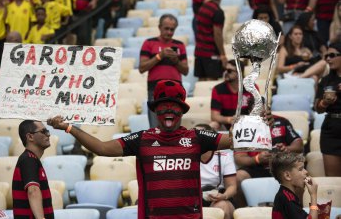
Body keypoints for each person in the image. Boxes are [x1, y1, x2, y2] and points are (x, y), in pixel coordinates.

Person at [47, 79, 231, 219]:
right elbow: (101, 148)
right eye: (163, 107)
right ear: (155, 111)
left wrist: (254, 120)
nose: (169, 111)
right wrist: (68, 128)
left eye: (174, 107)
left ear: (182, 111)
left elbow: (234, 141)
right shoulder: (142, 139)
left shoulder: (196, 138)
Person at [234, 113, 304, 207]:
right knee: (237, 178)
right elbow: (239, 159)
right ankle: (243, 211)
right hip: (256, 167)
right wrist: (257, 159)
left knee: (299, 173)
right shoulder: (243, 126)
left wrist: (287, 149)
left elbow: (299, 145)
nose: (264, 115)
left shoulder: (282, 121)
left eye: (266, 111)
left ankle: (297, 210)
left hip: (281, 166)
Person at [138, 14, 189, 128]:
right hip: (155, 90)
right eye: (166, 28)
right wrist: (159, 56)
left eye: (172, 29)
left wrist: (176, 60)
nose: (169, 32)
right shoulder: (149, 43)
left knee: (174, 127)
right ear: (159, 27)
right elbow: (142, 68)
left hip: (176, 90)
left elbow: (185, 71)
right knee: (155, 126)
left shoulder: (180, 45)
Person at [12, 120, 54, 219]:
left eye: (47, 131)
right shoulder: (29, 160)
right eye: (43, 131)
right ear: (30, 137)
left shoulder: (30, 159)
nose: (48, 135)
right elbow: (33, 190)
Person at [196, 124, 236, 219]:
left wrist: (224, 196)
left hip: (219, 196)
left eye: (199, 135)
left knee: (222, 206)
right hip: (195, 198)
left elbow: (232, 186)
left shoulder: (224, 157)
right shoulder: (187, 156)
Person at [314, 42, 341, 177]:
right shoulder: (325, 80)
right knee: (334, 180)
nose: (328, 59)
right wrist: (324, 103)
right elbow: (317, 109)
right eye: (326, 56)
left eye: (332, 55)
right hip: (331, 130)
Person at [271, 152, 318, 219]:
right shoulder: (288, 200)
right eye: (301, 169)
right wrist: (313, 195)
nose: (306, 172)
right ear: (287, 175)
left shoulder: (285, 194)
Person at [194, 0, 226, 81]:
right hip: (211, 53)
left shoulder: (203, 7)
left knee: (201, 83)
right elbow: (217, 34)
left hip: (199, 51)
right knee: (210, 84)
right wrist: (223, 54)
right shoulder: (218, 12)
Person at [210, 60, 254, 131]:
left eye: (229, 71)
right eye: (225, 70)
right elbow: (214, 116)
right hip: (225, 125)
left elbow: (256, 113)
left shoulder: (251, 88)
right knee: (213, 125)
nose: (225, 73)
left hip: (246, 124)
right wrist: (229, 120)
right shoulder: (217, 89)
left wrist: (242, 120)